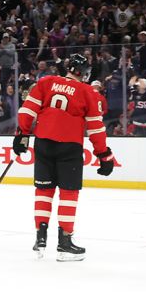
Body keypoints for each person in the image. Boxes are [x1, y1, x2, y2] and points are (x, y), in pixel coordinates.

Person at [15, 53, 115, 260]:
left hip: (43, 143)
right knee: (69, 192)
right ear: (85, 74)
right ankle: (64, 244)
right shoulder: (88, 92)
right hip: (69, 146)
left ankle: (40, 240)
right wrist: (104, 155)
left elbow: (27, 110)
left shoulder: (46, 82)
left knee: (44, 189)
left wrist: (22, 135)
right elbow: (96, 129)